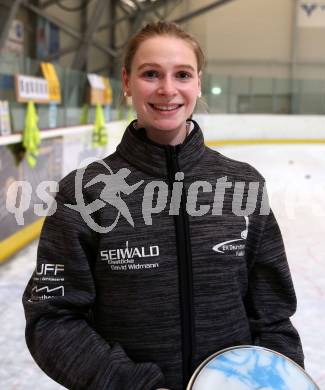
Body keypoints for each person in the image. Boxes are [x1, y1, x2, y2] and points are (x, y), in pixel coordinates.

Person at [23, 21, 304, 390]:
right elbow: (52, 319)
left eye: (182, 74)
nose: (167, 89)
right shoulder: (84, 193)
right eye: (150, 73)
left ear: (198, 82)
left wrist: (276, 381)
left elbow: (274, 316)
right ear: (126, 81)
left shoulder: (243, 184)